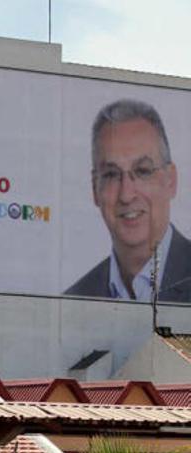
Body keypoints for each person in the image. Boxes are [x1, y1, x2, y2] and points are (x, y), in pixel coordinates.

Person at [66, 98, 191, 303]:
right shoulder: (74, 302)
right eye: (111, 175)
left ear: (171, 181)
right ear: (94, 189)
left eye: (142, 171)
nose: (126, 194)